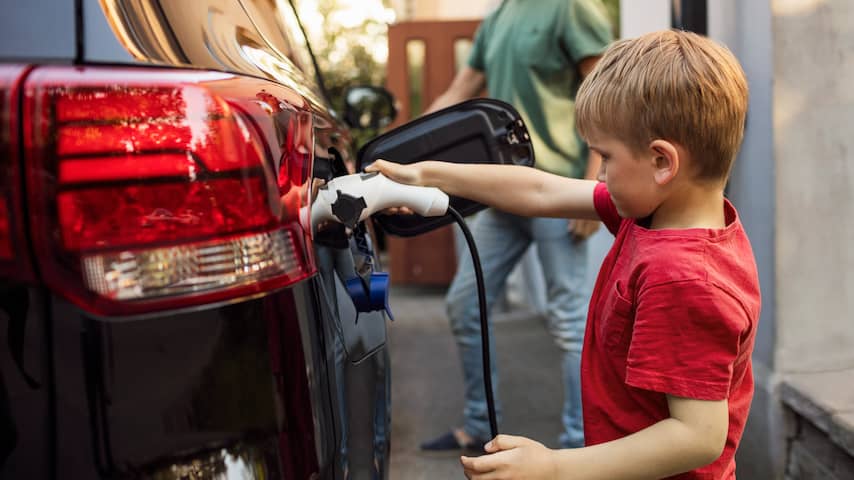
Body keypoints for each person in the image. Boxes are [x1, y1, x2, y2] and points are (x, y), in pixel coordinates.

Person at [368, 29, 760, 479]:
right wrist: (427, 175)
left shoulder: (685, 278)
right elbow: (539, 188)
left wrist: (555, 466)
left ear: (661, 162)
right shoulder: (660, 212)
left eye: (605, 157)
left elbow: (698, 436)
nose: (602, 172)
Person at [418, 0, 615, 452]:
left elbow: (605, 93)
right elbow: (459, 91)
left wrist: (593, 186)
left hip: (559, 192)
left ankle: (576, 447)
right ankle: (479, 425)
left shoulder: (570, 8)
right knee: (465, 305)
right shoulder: (500, 16)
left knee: (568, 322)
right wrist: (401, 148)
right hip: (504, 193)